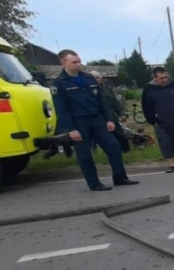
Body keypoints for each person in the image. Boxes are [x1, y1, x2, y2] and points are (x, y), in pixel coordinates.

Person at [50, 49, 139, 192]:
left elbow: (101, 100)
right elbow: (61, 109)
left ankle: (120, 177)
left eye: (79, 61)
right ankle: (94, 183)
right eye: (74, 62)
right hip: (78, 122)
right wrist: (71, 129)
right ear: (63, 63)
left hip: (96, 119)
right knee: (85, 154)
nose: (78, 64)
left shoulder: (88, 78)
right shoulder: (58, 83)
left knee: (114, 146)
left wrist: (109, 119)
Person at [91, 72, 129, 154]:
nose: (96, 80)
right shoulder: (88, 93)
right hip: (99, 121)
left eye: (97, 78)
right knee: (107, 141)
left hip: (113, 119)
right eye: (93, 78)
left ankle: (126, 153)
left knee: (122, 137)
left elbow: (116, 104)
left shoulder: (107, 90)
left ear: (101, 79)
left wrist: (122, 114)